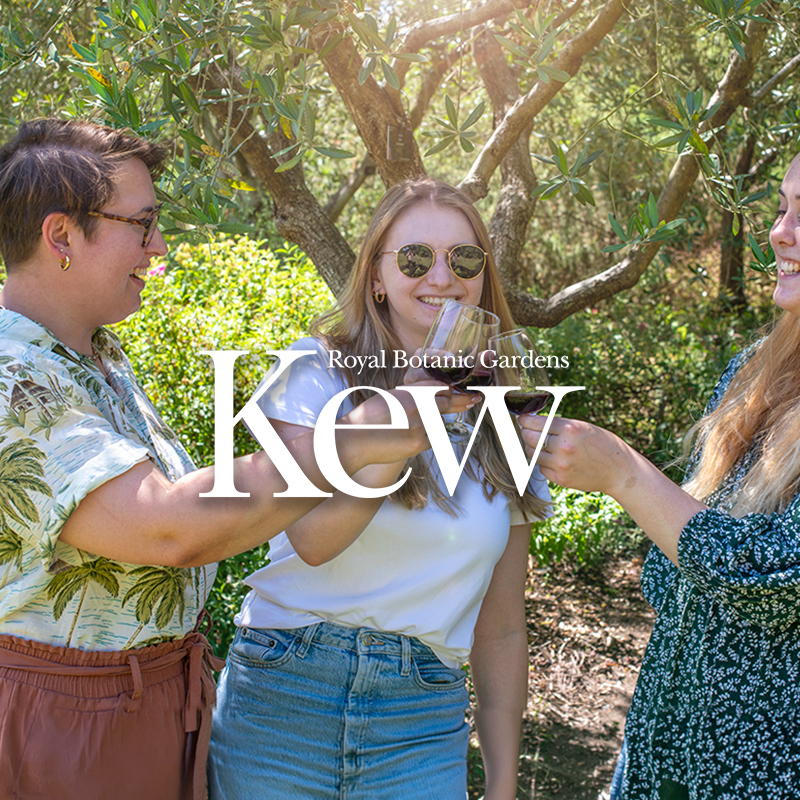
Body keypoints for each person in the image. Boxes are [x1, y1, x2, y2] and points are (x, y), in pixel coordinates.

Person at [0, 118, 440, 800]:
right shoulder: (14, 377)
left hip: (140, 708)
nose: (160, 245)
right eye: (142, 225)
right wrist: (357, 437)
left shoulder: (91, 356)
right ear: (61, 235)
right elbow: (172, 528)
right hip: (67, 726)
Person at [207, 178, 552, 800]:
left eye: (464, 259)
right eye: (416, 258)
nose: (441, 277)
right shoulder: (315, 372)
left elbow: (500, 626)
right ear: (375, 278)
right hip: (285, 693)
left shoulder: (505, 413)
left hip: (420, 720)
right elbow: (313, 541)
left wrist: (502, 781)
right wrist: (398, 428)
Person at [520, 151, 800, 800]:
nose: (780, 233)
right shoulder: (754, 372)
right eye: (783, 209)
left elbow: (775, 575)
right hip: (663, 747)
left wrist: (622, 474)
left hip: (764, 769)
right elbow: (676, 573)